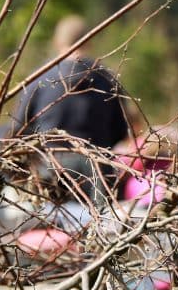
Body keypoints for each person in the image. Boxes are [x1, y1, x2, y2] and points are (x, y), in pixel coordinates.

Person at [11, 15, 129, 204]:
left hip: (51, 168)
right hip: (98, 171)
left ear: (57, 41)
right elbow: (122, 131)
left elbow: (19, 128)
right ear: (89, 40)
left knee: (48, 228)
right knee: (99, 229)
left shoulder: (40, 78)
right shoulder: (106, 79)